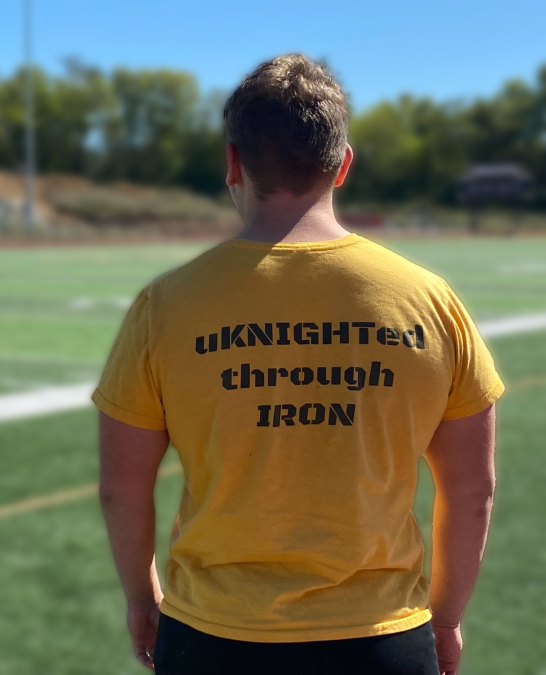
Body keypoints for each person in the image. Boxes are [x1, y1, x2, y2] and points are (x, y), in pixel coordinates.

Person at [94, 55, 502, 675]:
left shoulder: (165, 305)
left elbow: (122, 488)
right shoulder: (430, 300)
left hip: (212, 634)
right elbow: (473, 491)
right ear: (342, 164)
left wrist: (141, 597)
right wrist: (443, 619)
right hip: (380, 638)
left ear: (233, 162)